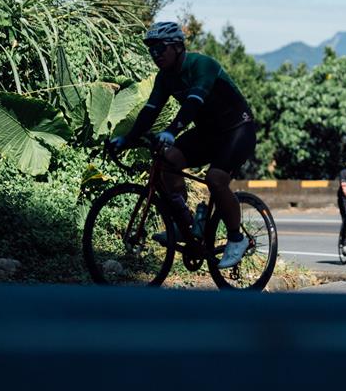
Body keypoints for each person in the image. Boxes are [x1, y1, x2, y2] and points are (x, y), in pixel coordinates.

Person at [107, 21, 256, 269]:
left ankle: (236, 239)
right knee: (168, 160)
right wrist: (127, 138)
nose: (156, 55)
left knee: (216, 179)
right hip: (209, 133)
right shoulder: (164, 78)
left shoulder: (202, 65)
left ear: (177, 47)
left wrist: (172, 131)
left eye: (160, 49)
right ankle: (184, 222)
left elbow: (193, 103)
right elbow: (149, 111)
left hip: (238, 130)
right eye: (151, 50)